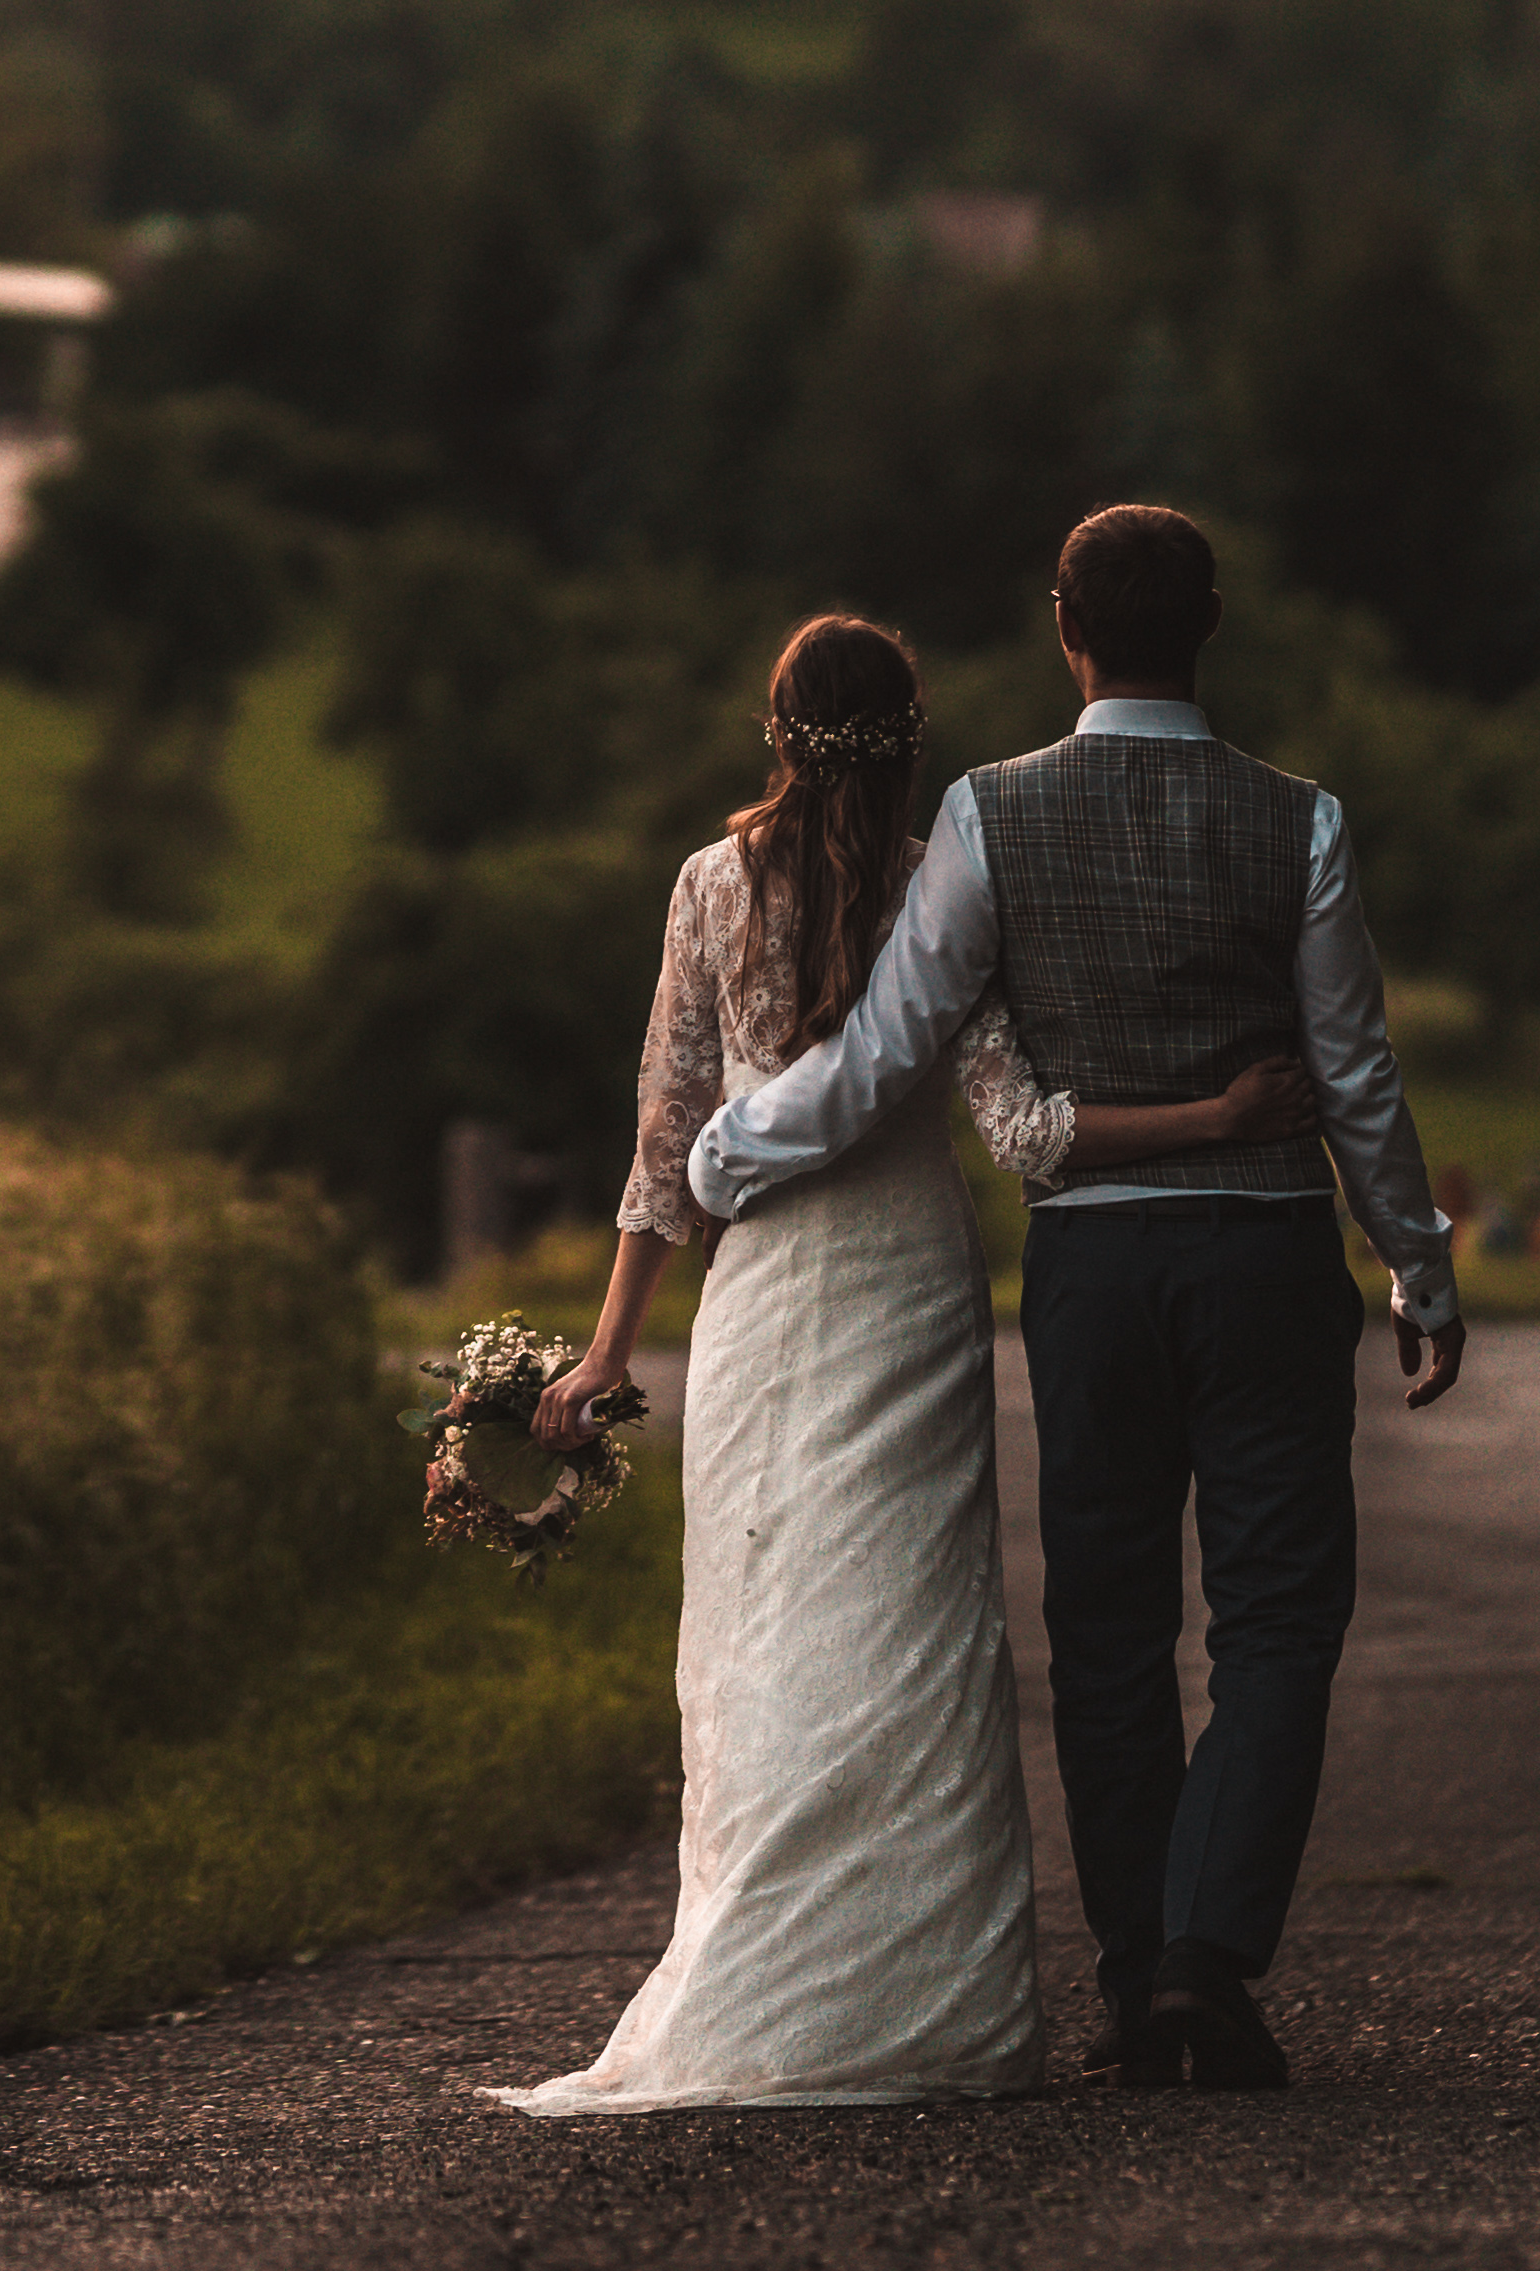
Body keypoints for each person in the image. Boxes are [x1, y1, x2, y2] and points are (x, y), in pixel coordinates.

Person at [491, 610, 1331, 2116]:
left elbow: (666, 1148)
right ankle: (921, 1997)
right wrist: (1218, 1120)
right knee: (916, 1639)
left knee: (764, 1631)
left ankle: (768, 1970)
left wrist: (611, 1347)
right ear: (915, 732)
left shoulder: (707, 886)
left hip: (764, 1297)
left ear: (775, 730)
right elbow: (1021, 1130)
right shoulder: (946, 879)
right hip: (905, 1284)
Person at [687, 502, 1463, 2094]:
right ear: (1215, 624)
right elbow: (1352, 1068)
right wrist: (1417, 1261)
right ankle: (1201, 1958)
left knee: (1106, 1633)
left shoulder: (990, 815)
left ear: (1066, 629)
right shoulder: (1296, 820)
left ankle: (1133, 1981)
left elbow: (889, 1047)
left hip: (1097, 1271)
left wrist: (727, 1148)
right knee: (1276, 1621)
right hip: (1260, 1257)